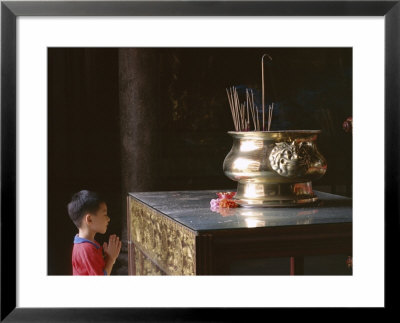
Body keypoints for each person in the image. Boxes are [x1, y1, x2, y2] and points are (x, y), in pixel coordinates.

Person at [67, 190, 121, 275]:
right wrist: (111, 259)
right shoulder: (87, 249)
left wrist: (107, 258)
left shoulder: (84, 243)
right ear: (89, 219)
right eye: (105, 214)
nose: (108, 219)